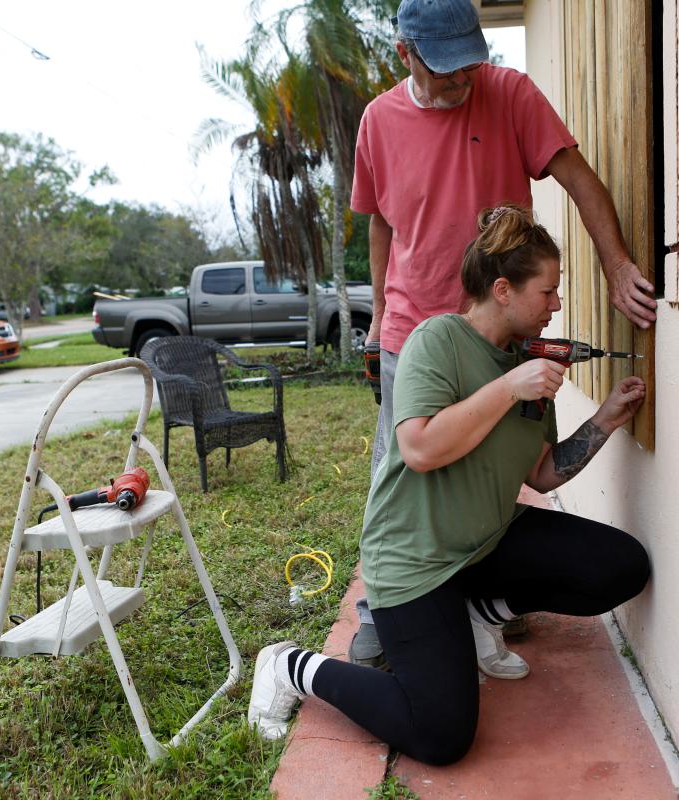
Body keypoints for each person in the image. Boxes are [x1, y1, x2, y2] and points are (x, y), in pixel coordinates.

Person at [247, 205, 650, 764]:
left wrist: (604, 419)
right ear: (503, 290)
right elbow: (419, 448)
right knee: (442, 735)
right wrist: (510, 387)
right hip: (415, 559)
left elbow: (541, 472)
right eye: (549, 291)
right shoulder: (439, 341)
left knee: (621, 567)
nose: (557, 306)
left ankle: (480, 614)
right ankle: (292, 667)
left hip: (485, 542)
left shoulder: (527, 363)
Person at [350, 0, 656, 671]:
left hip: (496, 332)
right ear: (405, 52)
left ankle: (476, 600)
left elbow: (578, 178)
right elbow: (379, 224)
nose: (463, 83)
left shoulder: (509, 92)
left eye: (470, 66)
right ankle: (386, 612)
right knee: (402, 472)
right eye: (446, 71)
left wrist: (617, 265)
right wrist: (378, 316)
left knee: (494, 472)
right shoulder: (379, 120)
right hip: (413, 327)